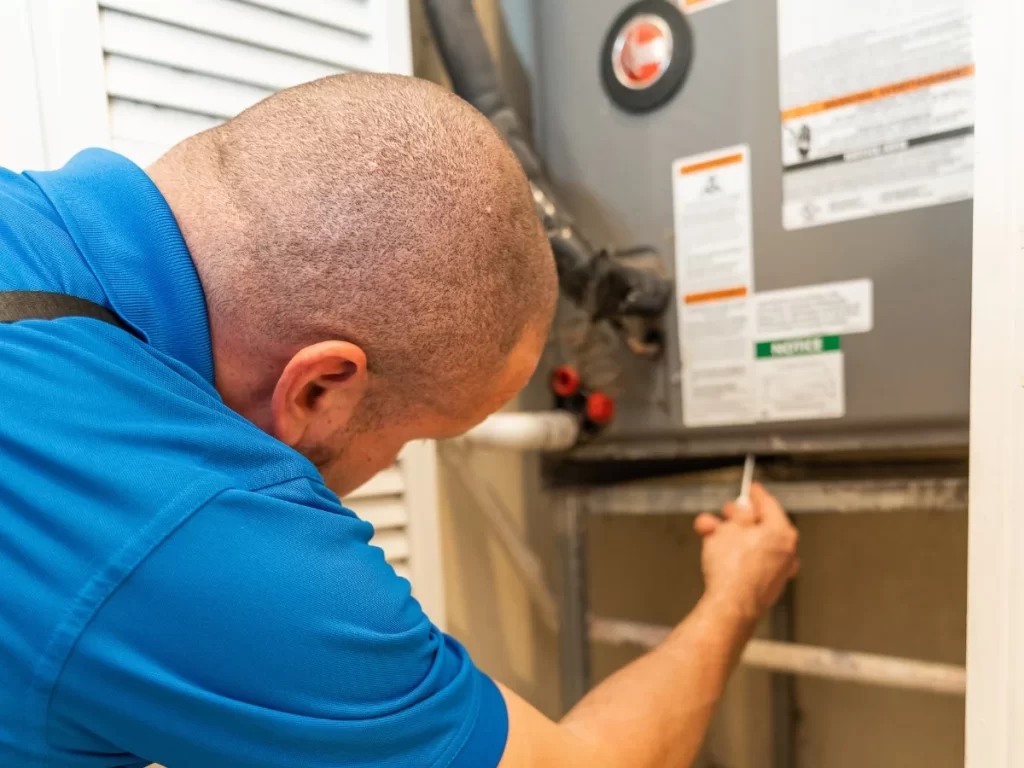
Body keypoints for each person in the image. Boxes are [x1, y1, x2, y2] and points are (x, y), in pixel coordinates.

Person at [0, 73, 798, 768]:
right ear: (322, 388)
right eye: (416, 436)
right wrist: (737, 593)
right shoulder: (202, 534)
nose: (390, 463)